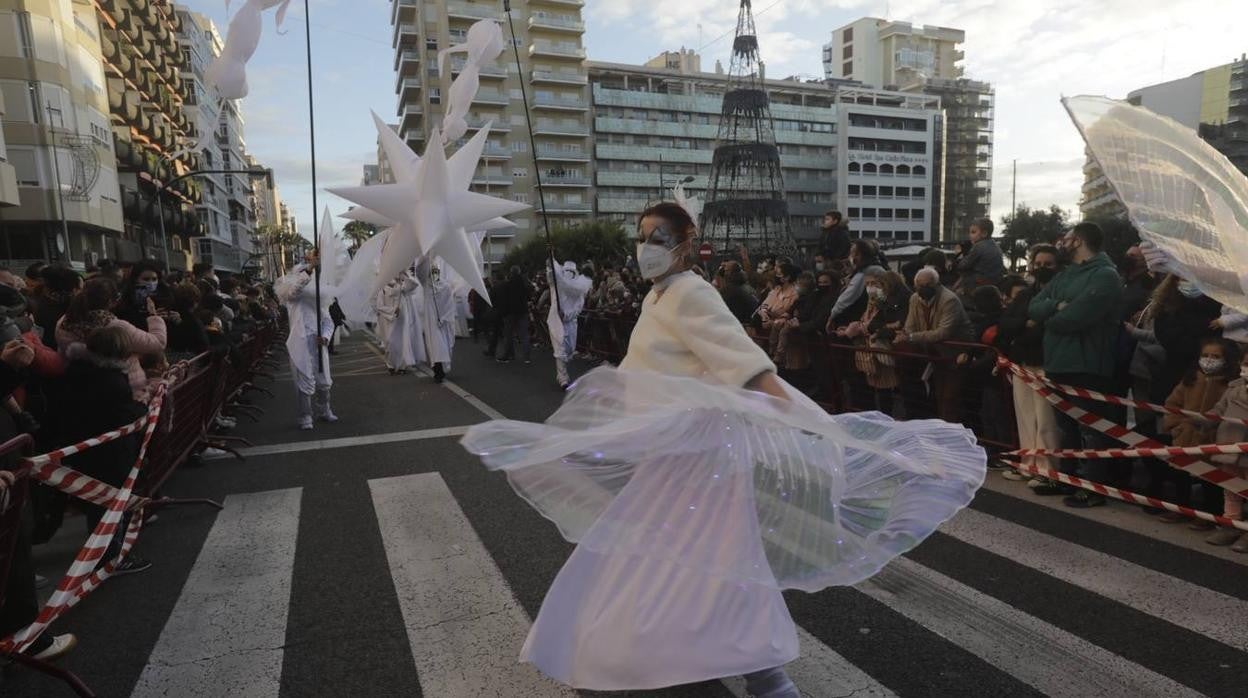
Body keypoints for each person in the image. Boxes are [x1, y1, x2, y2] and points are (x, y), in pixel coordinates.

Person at [461, 201, 985, 695]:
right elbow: (651, 368)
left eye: (657, 238)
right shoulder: (657, 295)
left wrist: (807, 422)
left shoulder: (691, 292)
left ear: (686, 245)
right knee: (689, 562)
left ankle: (758, 677)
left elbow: (746, 363)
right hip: (671, 454)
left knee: (705, 561)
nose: (646, 247)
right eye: (640, 237)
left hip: (701, 461)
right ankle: (733, 670)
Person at [1027, 222, 1125, 507]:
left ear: (1079, 241)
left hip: (1088, 363)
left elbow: (1074, 318)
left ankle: (1092, 485)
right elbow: (1034, 306)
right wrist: (1056, 307)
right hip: (1058, 361)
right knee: (1065, 426)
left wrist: (1052, 314)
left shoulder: (1105, 275)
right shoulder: (1067, 274)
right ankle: (1067, 477)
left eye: (1067, 239)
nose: (1062, 243)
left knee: (1090, 429)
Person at [61, 325, 153, 575]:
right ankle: (112, 556)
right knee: (110, 502)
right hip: (109, 452)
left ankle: (108, 550)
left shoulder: (79, 370)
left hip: (87, 449)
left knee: (100, 502)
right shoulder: (111, 381)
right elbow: (122, 414)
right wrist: (145, 409)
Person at [1158, 338, 1240, 525]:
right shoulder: (1190, 379)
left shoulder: (1231, 385)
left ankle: (1209, 516)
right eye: (1205, 355)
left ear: (1227, 360)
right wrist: (1176, 426)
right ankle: (1181, 509)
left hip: (1213, 440)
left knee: (1210, 480)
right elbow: (1173, 404)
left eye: (1216, 356)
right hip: (1185, 437)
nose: (1209, 360)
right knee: (1181, 476)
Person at [997, 245, 1061, 484]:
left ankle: (1047, 471)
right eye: (1039, 263)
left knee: (1046, 421)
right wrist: (1026, 323)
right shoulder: (1025, 294)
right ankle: (1028, 464)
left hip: (1045, 362)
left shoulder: (1059, 294)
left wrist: (1024, 326)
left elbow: (1047, 327)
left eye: (1048, 264)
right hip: (1022, 362)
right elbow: (1005, 323)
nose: (1042, 268)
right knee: (1025, 418)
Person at [55, 277, 167, 403]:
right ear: (112, 302)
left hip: (78, 387)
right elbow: (158, 343)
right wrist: (153, 316)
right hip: (124, 388)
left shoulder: (64, 322)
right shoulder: (116, 327)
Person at [897, 267, 974, 422]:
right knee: (938, 395)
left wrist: (911, 337)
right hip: (934, 353)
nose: (922, 289)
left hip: (955, 353)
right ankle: (942, 427)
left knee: (950, 398)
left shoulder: (949, 300)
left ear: (936, 284)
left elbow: (943, 332)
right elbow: (909, 326)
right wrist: (910, 335)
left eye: (926, 285)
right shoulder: (914, 299)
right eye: (919, 285)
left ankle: (954, 432)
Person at [274, 252, 335, 430]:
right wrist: (308, 270)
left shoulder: (318, 302)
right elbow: (295, 290)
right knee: (304, 380)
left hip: (318, 343)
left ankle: (325, 409)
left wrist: (325, 337)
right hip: (300, 343)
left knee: (324, 380)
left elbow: (328, 321)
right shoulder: (292, 298)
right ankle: (305, 416)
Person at [1207, 349, 1248, 551]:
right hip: (1228, 446)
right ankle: (1230, 525)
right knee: (1231, 489)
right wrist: (1206, 419)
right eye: (1247, 363)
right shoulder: (1233, 388)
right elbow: (1219, 409)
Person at [547, 260, 593, 390]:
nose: (568, 274)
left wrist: (566, 315)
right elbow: (551, 277)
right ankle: (563, 378)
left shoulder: (578, 290)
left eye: (571, 272)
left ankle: (563, 373)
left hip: (571, 324)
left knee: (569, 350)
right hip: (556, 321)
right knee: (559, 350)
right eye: (566, 271)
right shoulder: (555, 285)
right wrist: (550, 265)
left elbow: (578, 308)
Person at [826, 239, 886, 330]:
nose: (850, 256)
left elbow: (848, 296)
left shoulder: (866, 272)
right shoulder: (875, 268)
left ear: (860, 255)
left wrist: (832, 315)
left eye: (852, 253)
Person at [419, 261, 455, 383]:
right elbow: (419, 271)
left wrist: (444, 318)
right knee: (435, 348)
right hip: (431, 324)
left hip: (443, 324)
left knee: (444, 347)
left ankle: (442, 370)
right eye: (432, 271)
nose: (434, 274)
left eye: (436, 271)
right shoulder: (426, 285)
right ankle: (438, 371)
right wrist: (425, 256)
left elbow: (450, 306)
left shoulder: (446, 287)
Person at [386, 271, 426, 375]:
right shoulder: (389, 280)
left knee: (405, 338)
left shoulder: (406, 277)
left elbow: (413, 286)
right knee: (392, 340)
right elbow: (389, 292)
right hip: (393, 314)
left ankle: (403, 365)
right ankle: (392, 364)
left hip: (406, 313)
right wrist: (397, 284)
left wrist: (405, 276)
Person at [955, 218, 1006, 295]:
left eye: (973, 232)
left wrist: (959, 255)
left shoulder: (978, 246)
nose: (970, 235)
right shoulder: (996, 246)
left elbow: (963, 265)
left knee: (963, 275)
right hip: (996, 282)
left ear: (984, 233)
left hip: (980, 283)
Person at [496, 266, 533, 365]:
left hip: (510, 312)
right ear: (519, 272)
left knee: (508, 334)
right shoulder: (524, 283)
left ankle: (508, 355)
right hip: (523, 311)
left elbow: (504, 299)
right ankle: (527, 357)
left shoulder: (507, 284)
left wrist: (503, 312)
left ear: (511, 273)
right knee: (524, 334)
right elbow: (529, 295)